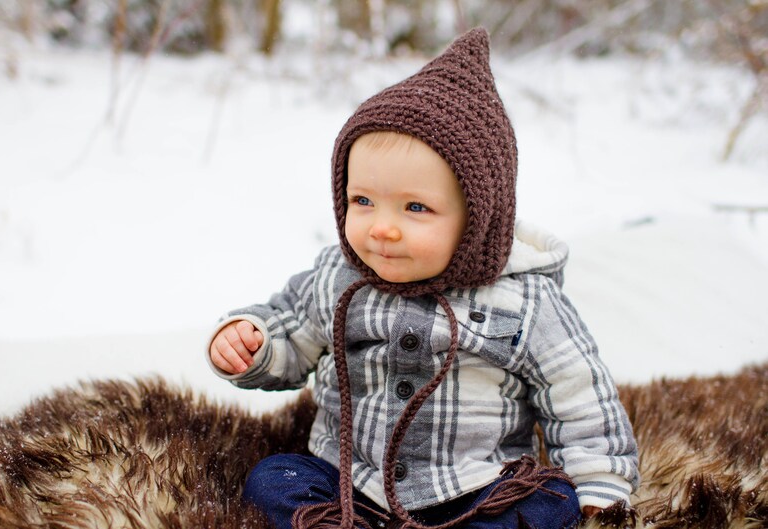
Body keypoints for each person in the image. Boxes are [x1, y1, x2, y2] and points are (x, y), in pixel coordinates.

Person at [206, 28, 639, 529]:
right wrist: (252, 342)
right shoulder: (337, 276)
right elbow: (289, 332)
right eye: (362, 201)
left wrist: (601, 483)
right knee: (272, 478)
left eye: (416, 207)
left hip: (474, 487)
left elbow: (579, 394)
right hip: (349, 481)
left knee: (551, 502)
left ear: (479, 217)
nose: (382, 228)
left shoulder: (524, 298)